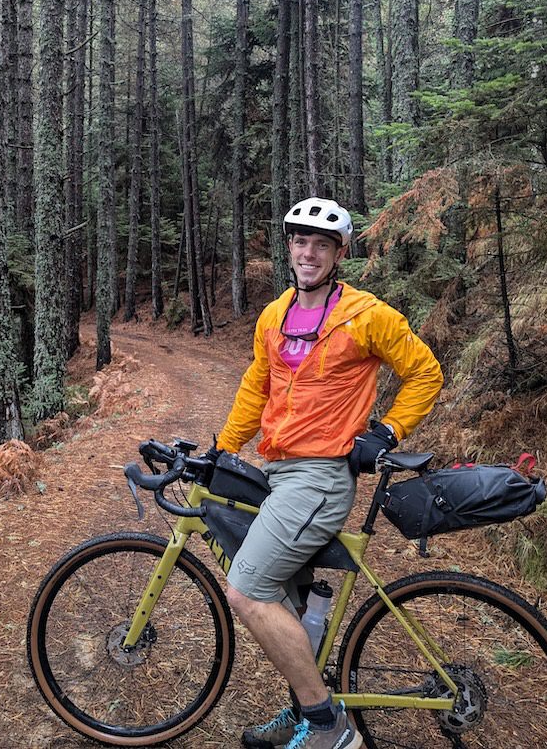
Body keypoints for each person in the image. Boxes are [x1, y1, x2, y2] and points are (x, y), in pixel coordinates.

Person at [212, 197, 444, 749]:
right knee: (285, 603)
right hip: (280, 470)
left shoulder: (367, 315)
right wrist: (221, 449)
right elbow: (255, 388)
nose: (309, 252)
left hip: (319, 479)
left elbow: (425, 372)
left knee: (246, 593)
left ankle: (329, 728)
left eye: (322, 243)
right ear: (289, 247)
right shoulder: (275, 314)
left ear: (339, 253)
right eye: (300, 241)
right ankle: (304, 706)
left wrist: (386, 433)